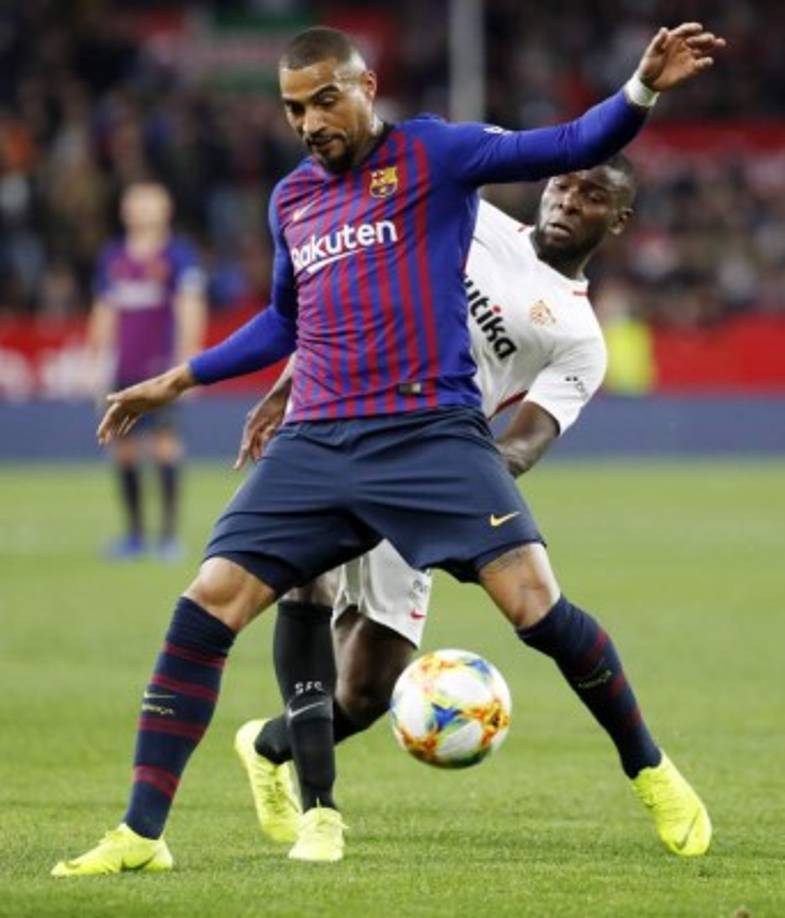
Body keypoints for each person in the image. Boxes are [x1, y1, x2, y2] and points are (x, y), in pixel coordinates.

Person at [52, 23, 724, 875]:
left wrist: (641, 88)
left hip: (431, 435)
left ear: (366, 87)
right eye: (294, 109)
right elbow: (289, 318)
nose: (309, 122)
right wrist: (182, 379)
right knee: (209, 603)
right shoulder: (293, 199)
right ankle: (148, 832)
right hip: (320, 435)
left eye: (324, 101)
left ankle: (649, 769)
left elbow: (569, 142)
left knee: (528, 611)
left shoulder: (438, 160)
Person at [232, 155, 711, 858]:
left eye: (590, 196)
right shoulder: (470, 219)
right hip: (340, 426)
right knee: (306, 583)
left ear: (618, 220)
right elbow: (354, 291)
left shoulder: (579, 337)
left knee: (374, 687)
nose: (567, 201)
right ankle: (319, 815)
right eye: (562, 185)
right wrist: (287, 384)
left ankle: (650, 770)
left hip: (432, 465)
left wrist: (458, 482)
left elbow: (523, 443)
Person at [85, 182, 207, 561]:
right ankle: (135, 536)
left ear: (166, 209)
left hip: (162, 371)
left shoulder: (178, 255)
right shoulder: (114, 256)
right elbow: (105, 311)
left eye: (150, 203)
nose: (142, 209)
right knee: (124, 449)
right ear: (125, 211)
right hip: (124, 369)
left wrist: (189, 361)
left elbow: (190, 307)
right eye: (136, 203)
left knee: (165, 445)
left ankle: (168, 537)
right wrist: (96, 361)